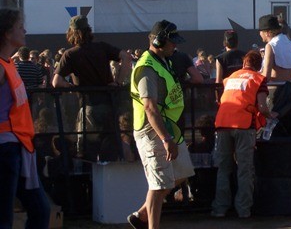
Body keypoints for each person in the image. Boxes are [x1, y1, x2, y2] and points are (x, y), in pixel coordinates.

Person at [128, 20, 195, 229]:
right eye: (172, 42)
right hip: (153, 131)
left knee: (182, 173)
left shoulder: (162, 61)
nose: (175, 46)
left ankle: (140, 216)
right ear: (159, 41)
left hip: (168, 127)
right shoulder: (147, 69)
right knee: (158, 186)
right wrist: (166, 139)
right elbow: (150, 108)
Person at [52, 15, 132, 161]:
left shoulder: (70, 54)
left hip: (88, 107)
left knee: (87, 152)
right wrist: (118, 82)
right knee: (110, 149)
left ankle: (89, 180)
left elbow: (56, 82)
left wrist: (70, 87)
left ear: (72, 33)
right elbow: (127, 57)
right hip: (110, 105)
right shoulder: (102, 47)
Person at [0, 8, 50, 229]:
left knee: (40, 210)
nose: (25, 30)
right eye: (20, 26)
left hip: (17, 146)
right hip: (5, 149)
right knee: (4, 216)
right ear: (7, 33)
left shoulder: (8, 63)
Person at [211, 51, 275, 219]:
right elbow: (262, 107)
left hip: (222, 124)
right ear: (259, 65)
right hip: (244, 126)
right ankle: (243, 210)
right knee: (244, 170)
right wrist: (271, 115)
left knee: (223, 169)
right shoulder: (258, 79)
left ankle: (219, 209)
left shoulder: (231, 77)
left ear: (243, 62)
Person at [258, 15, 291, 82]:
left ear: (267, 33)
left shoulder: (270, 46)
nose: (259, 34)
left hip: (274, 89)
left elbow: (266, 77)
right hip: (289, 88)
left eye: (260, 31)